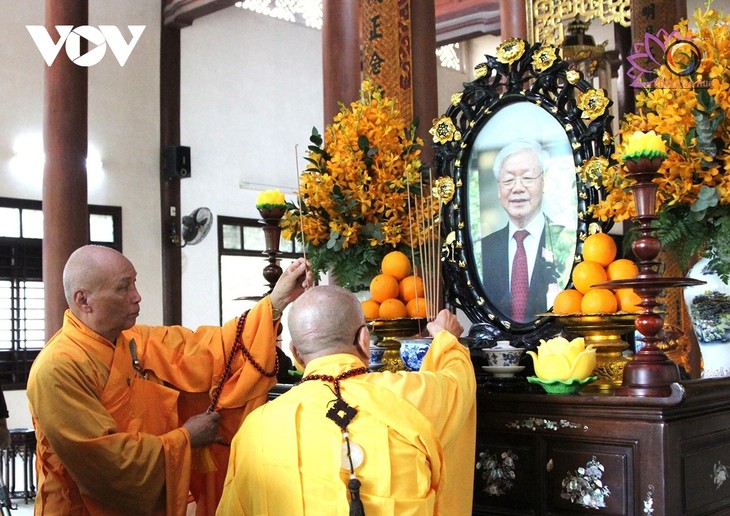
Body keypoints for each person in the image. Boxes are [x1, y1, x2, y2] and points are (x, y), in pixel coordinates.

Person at [26, 245, 313, 515]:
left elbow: (210, 351)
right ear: (83, 300)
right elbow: (106, 463)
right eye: (124, 287)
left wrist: (277, 301)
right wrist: (186, 438)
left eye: (134, 283)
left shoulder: (135, 340)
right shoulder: (58, 368)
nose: (137, 296)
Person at [217, 285, 476, 515]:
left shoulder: (255, 428)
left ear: (294, 352)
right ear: (364, 339)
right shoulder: (413, 395)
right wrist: (445, 337)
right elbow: (458, 380)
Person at [481, 139, 573, 322]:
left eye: (527, 178)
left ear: (543, 183)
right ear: (499, 189)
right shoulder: (484, 249)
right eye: (508, 180)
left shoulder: (566, 240)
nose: (517, 188)